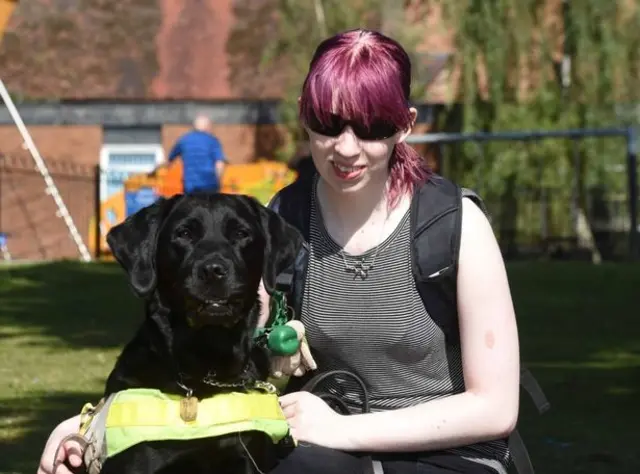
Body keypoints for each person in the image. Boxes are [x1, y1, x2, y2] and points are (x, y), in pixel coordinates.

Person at [37, 29, 520, 474]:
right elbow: (223, 365)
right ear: (303, 116)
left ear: (405, 125)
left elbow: (495, 407)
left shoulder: (455, 225)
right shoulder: (280, 218)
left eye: (371, 127)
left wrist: (344, 430)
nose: (346, 148)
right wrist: (91, 427)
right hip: (320, 450)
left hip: (449, 458)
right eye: (329, 123)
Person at [167, 114, 226, 194]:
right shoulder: (212, 141)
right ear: (207, 126)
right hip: (209, 185)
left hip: (190, 187)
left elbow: (169, 159)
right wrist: (218, 181)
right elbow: (219, 164)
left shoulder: (184, 140)